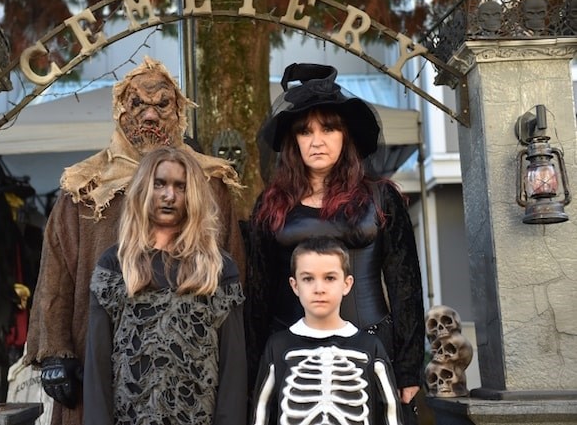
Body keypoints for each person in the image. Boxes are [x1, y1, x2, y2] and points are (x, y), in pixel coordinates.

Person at [24, 56, 245, 425]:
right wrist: (55, 351)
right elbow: (55, 273)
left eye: (162, 105)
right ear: (119, 112)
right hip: (92, 364)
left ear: (179, 113)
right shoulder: (85, 186)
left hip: (191, 371)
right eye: (137, 104)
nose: (150, 116)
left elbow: (233, 275)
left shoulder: (210, 184)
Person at [247, 62, 424, 424]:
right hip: (290, 352)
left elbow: (405, 286)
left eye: (328, 128)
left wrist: (408, 370)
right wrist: (254, 369)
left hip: (373, 348)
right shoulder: (271, 204)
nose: (317, 141)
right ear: (293, 141)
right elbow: (257, 294)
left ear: (345, 136)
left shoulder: (381, 198)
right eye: (305, 131)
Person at [84, 146, 247, 425]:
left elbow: (233, 370)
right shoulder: (116, 265)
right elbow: (97, 367)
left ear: (192, 194)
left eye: (180, 186)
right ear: (144, 188)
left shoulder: (216, 267)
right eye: (159, 183)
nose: (169, 195)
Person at [252, 236, 402, 425]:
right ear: (295, 285)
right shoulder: (278, 346)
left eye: (329, 278)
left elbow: (391, 412)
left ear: (346, 284)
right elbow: (261, 412)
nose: (319, 289)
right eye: (308, 279)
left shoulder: (370, 346)